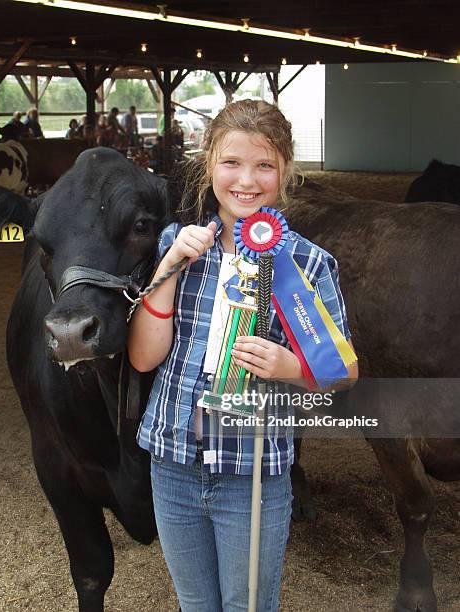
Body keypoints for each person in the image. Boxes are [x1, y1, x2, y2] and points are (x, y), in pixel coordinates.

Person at [128, 99, 358, 612]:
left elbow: (342, 370)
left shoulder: (306, 264)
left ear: (286, 172)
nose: (246, 181)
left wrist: (289, 367)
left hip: (252, 467)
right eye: (231, 163)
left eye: (264, 166)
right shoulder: (176, 244)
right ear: (208, 163)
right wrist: (170, 266)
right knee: (194, 604)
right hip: (172, 460)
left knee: (249, 605)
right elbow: (143, 359)